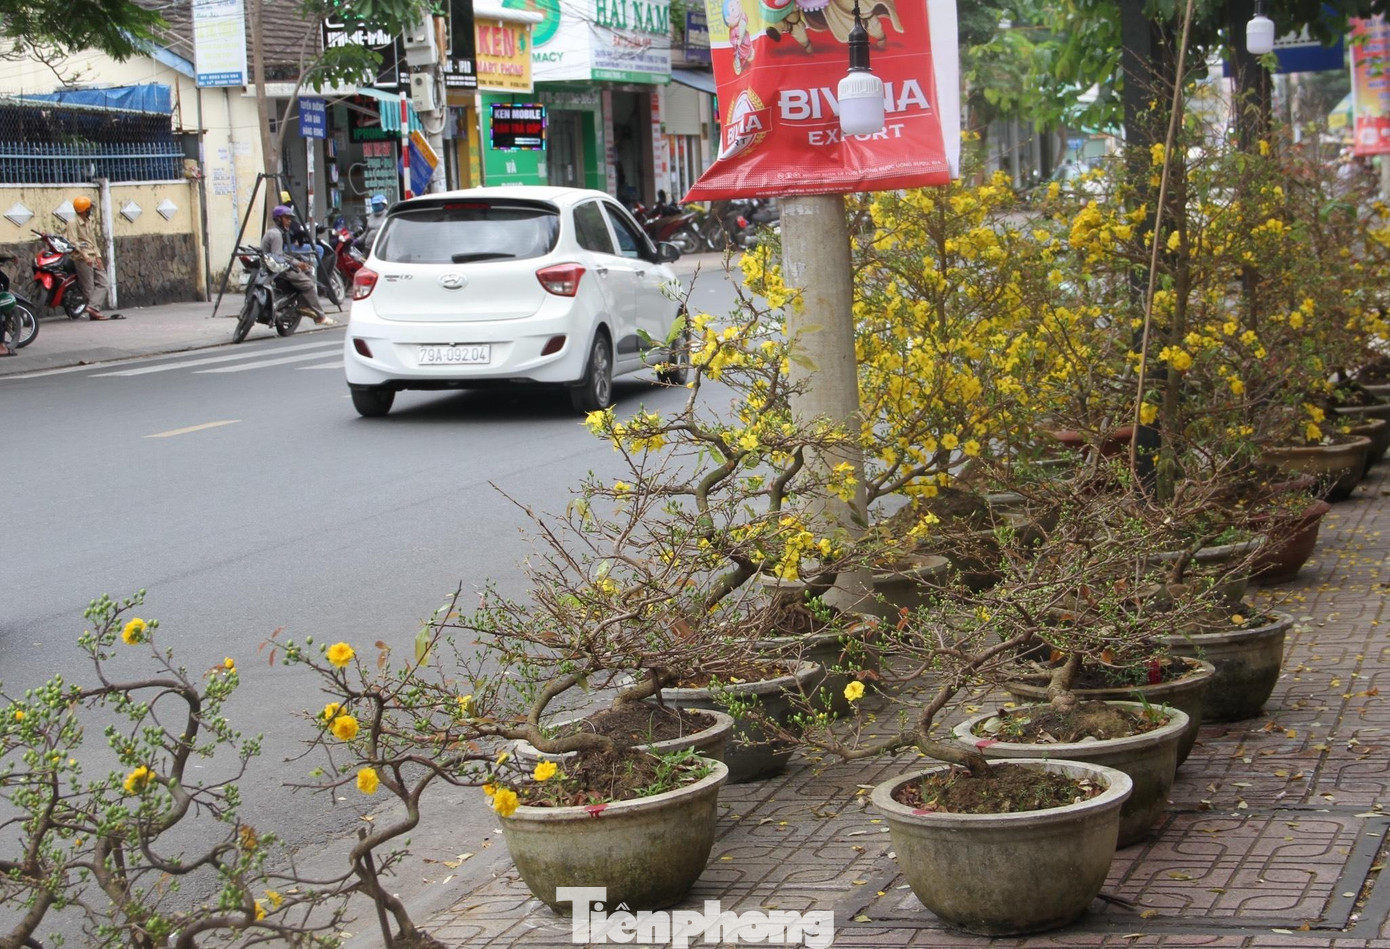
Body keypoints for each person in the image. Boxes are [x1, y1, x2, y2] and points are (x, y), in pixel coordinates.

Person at [261, 205, 335, 326]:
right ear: (278, 219)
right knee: (309, 285)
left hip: (272, 265)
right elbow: (278, 257)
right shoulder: (276, 235)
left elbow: (281, 254)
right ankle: (320, 316)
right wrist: (296, 263)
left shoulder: (274, 232)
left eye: (290, 218)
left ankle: (303, 304)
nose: (289, 221)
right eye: (287, 218)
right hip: (277, 268)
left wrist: (299, 262)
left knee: (307, 270)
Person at [63, 195, 122, 320]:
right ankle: (94, 311)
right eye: (89, 208)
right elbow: (73, 242)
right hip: (81, 258)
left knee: (104, 282)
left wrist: (98, 257)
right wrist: (85, 256)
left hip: (93, 256)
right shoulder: (72, 223)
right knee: (88, 287)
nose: (90, 210)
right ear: (84, 209)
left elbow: (93, 242)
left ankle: (93, 308)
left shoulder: (88, 222)